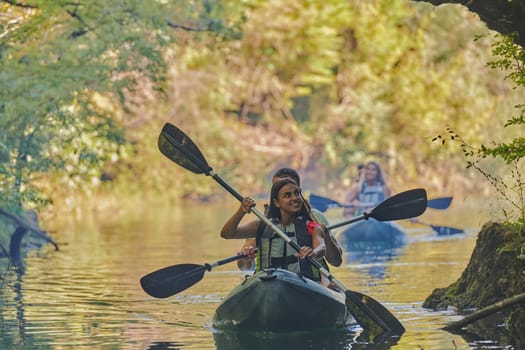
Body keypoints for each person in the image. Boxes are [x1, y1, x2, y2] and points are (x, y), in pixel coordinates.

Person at [221, 178, 328, 284]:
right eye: (287, 195)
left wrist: (313, 252)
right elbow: (227, 234)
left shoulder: (312, 226)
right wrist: (241, 211)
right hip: (266, 282)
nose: (294, 198)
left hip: (301, 284)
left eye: (297, 193)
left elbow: (321, 247)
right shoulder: (262, 224)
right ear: (277, 202)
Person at [236, 168, 343, 270]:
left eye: (293, 192)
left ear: (298, 191)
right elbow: (244, 266)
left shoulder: (316, 218)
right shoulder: (264, 222)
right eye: (277, 187)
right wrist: (246, 258)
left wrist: (325, 236)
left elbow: (336, 261)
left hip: (309, 280)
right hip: (272, 278)